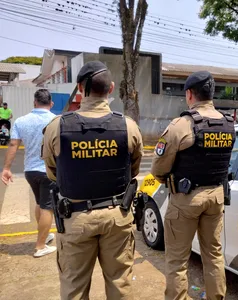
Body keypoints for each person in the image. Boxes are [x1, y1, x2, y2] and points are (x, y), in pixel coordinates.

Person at [41, 60, 144, 300]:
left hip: (75, 218)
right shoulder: (128, 126)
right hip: (117, 217)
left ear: (79, 88)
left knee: (74, 288)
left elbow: (52, 172)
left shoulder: (57, 126)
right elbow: (134, 169)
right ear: (110, 88)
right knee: (120, 285)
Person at [151, 71, 236, 300]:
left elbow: (158, 169)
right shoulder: (229, 124)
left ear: (189, 94)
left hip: (186, 199)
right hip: (216, 197)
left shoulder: (181, 125)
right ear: (211, 93)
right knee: (214, 256)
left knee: (177, 261)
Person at [1, 89, 57, 257]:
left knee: (40, 203)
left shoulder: (21, 121)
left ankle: (44, 235)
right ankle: (40, 246)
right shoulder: (56, 120)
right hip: (49, 170)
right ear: (51, 103)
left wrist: (6, 168)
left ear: (34, 103)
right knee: (48, 207)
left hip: (30, 170)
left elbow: (13, 145)